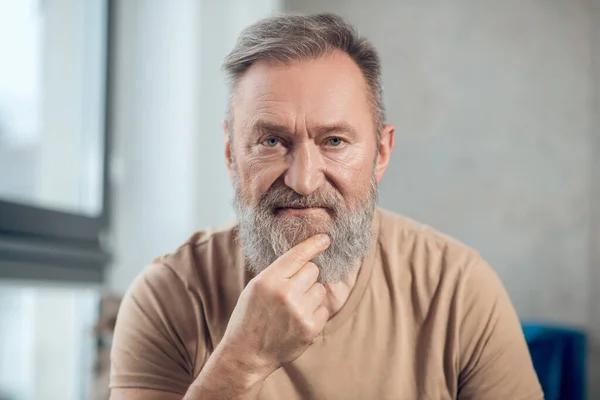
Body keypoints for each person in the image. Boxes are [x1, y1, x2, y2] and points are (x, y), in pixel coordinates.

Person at [109, 13, 543, 400]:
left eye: (334, 141)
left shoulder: (460, 290)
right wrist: (242, 363)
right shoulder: (167, 295)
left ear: (382, 153)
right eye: (271, 141)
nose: (304, 179)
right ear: (229, 153)